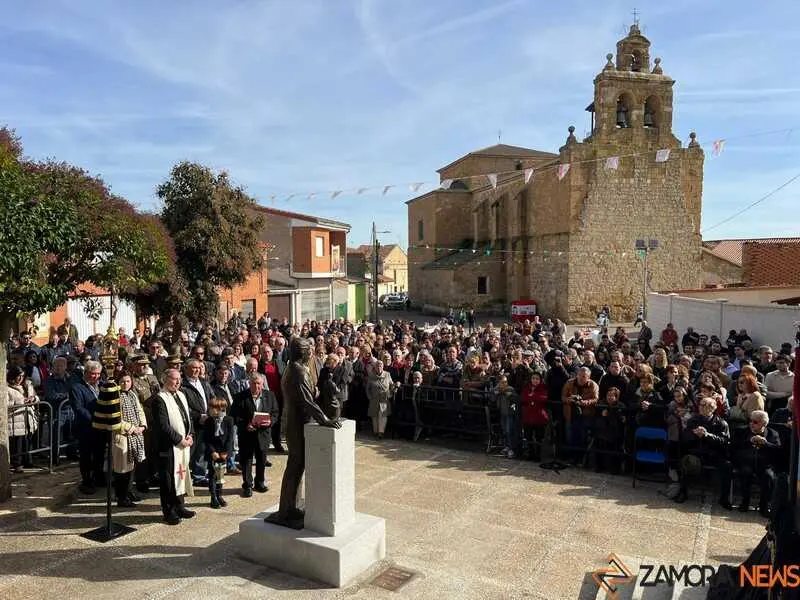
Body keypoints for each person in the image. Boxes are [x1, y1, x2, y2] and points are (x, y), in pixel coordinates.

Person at [151, 369, 195, 525]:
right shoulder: (159, 399)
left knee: (181, 475)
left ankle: (180, 506)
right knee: (168, 480)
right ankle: (169, 511)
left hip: (183, 444)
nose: (177, 382)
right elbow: (163, 426)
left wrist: (190, 435)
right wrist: (179, 440)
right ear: (165, 379)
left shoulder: (181, 395)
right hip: (168, 447)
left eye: (179, 379)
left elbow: (187, 418)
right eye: (174, 379)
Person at [720, 410, 781, 517]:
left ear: (764, 424)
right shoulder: (741, 431)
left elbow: (778, 450)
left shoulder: (773, 434)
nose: (751, 424)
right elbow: (732, 446)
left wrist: (766, 443)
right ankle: (745, 501)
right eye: (750, 421)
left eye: (755, 422)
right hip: (745, 462)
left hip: (764, 465)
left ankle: (764, 505)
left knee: (769, 476)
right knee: (745, 472)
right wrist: (749, 441)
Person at [674, 397, 730, 505]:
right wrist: (695, 434)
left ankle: (724, 497)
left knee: (727, 466)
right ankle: (683, 492)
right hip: (697, 453)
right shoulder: (693, 420)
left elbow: (725, 442)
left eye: (704, 405)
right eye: (700, 405)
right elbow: (685, 438)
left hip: (714, 454)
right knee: (686, 461)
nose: (701, 407)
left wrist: (707, 435)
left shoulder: (721, 423)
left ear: (712, 408)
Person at [232, 373, 278, 497]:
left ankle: (260, 482)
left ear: (262, 384)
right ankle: (247, 485)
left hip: (263, 434)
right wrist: (245, 425)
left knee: (261, 459)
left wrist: (270, 421)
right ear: (249, 383)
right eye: (253, 383)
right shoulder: (240, 397)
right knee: (246, 460)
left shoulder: (270, 395)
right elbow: (234, 416)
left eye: (258, 383)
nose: (256, 386)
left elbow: (275, 412)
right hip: (246, 435)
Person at [112, 373, 147, 508]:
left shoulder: (132, 394)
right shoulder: (115, 396)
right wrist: (132, 428)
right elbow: (115, 419)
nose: (125, 383)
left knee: (131, 468)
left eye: (128, 381)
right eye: (122, 381)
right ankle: (121, 497)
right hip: (122, 437)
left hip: (136, 435)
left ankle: (128, 492)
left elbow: (140, 410)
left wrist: (142, 425)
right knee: (122, 470)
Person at [70, 360, 104, 494]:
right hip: (86, 428)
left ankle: (99, 477)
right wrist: (94, 421)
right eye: (93, 374)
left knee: (99, 455)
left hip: (101, 428)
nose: (95, 377)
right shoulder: (77, 388)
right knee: (86, 456)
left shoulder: (101, 386)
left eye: (98, 374)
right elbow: (79, 408)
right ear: (86, 373)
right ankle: (87, 481)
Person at [181, 359, 213, 484]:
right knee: (192, 450)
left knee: (203, 449)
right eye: (193, 368)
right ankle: (188, 476)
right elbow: (184, 407)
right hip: (193, 423)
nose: (196, 370)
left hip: (207, 421)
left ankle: (199, 475)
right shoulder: (183, 385)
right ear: (186, 369)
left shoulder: (204, 382)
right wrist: (198, 416)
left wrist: (213, 411)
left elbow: (211, 397)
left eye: (198, 368)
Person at [203, 397, 235, 509]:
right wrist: (212, 452)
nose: (210, 410)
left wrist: (226, 452)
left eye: (212, 408)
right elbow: (206, 439)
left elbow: (230, 438)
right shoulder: (208, 421)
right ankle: (213, 497)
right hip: (213, 452)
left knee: (220, 475)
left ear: (219, 409)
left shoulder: (228, 420)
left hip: (223, 452)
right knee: (212, 475)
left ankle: (219, 494)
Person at [7, 366, 38, 472]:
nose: (20, 378)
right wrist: (20, 402)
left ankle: (28, 460)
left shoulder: (28, 385)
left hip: (28, 418)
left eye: (22, 376)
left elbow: (36, 396)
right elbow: (5, 404)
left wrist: (33, 399)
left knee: (27, 441)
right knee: (17, 443)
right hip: (16, 419)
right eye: (18, 376)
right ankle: (17, 464)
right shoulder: (7, 388)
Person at [520, 372, 548, 461]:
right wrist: (532, 397)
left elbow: (543, 398)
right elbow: (523, 398)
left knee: (539, 437)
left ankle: (538, 454)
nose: (535, 380)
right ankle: (530, 453)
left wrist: (532, 396)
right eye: (533, 378)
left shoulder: (543, 388)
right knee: (528, 436)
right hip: (528, 416)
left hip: (539, 416)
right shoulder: (526, 388)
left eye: (537, 379)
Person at [366, 360, 395, 440]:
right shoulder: (371, 375)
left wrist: (393, 389)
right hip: (374, 399)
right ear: (374, 367)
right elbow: (368, 388)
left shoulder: (387, 374)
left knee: (383, 415)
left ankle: (381, 433)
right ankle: (376, 431)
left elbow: (391, 385)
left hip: (384, 398)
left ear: (383, 367)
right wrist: (370, 397)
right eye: (377, 366)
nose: (379, 367)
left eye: (380, 366)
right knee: (374, 416)